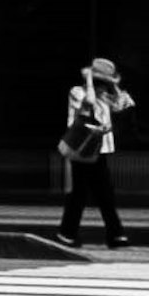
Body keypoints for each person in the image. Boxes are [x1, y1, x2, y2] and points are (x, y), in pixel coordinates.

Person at [57, 55, 129, 248]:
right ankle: (69, 233)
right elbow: (87, 103)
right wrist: (89, 79)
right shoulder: (77, 92)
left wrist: (114, 86)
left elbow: (124, 104)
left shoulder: (105, 96)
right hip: (81, 147)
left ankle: (113, 234)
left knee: (103, 193)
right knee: (80, 194)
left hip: (100, 150)